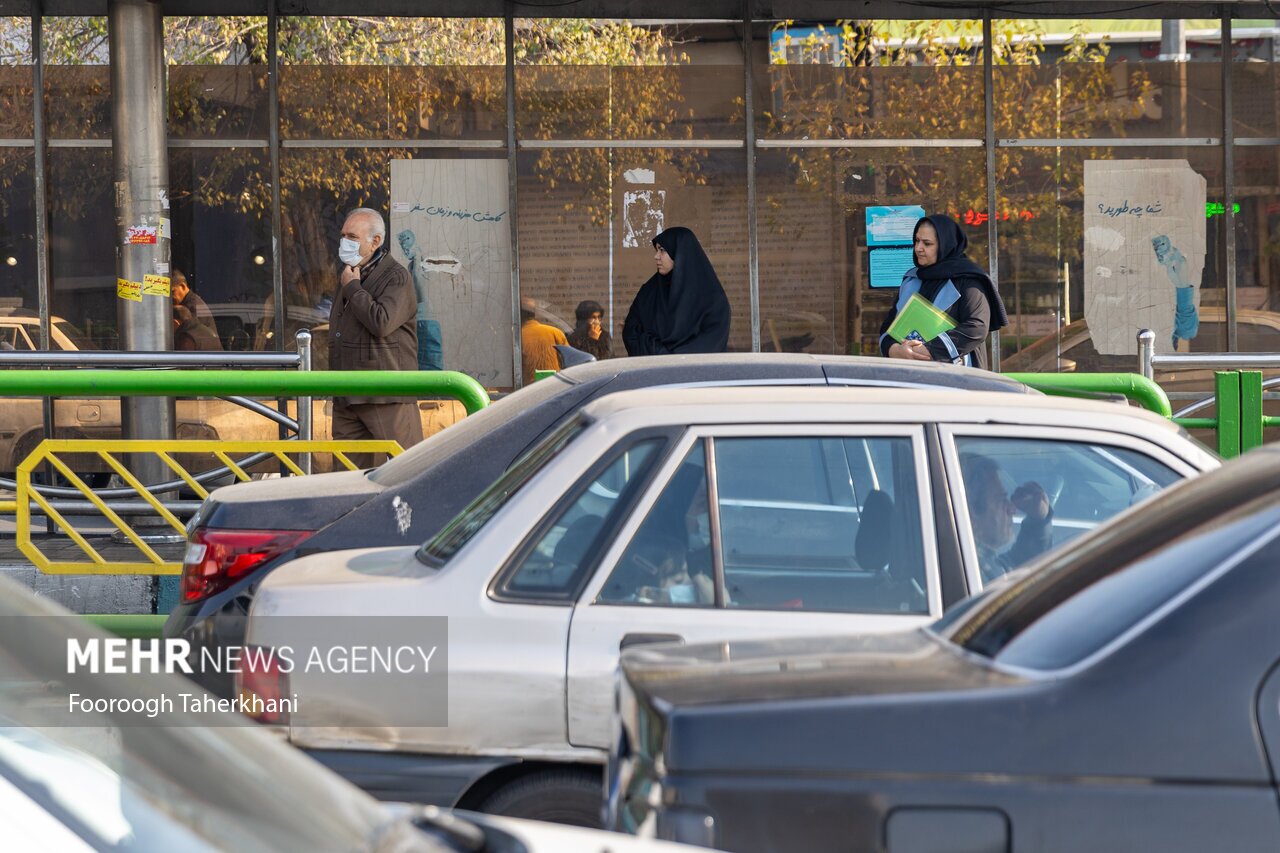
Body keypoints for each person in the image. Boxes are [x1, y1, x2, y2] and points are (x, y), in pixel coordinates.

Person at [329, 207, 423, 468]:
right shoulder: (350, 274)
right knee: (346, 477)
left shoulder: (396, 277)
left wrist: (353, 288)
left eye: (352, 237)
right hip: (347, 393)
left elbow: (382, 322)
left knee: (407, 470)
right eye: (343, 236)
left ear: (376, 242)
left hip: (385, 394)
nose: (345, 242)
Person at [879, 214, 1008, 369]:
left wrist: (925, 351)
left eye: (927, 243)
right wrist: (895, 350)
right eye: (917, 241)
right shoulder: (912, 279)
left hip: (957, 374)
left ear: (945, 245)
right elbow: (889, 326)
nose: (918, 248)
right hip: (910, 372)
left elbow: (976, 327)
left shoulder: (968, 279)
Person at [623, 226, 731, 356]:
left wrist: (669, 357)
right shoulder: (648, 293)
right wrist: (659, 352)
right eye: (657, 250)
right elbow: (631, 333)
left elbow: (711, 343)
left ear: (680, 253)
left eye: (662, 250)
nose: (656, 256)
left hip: (693, 369)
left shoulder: (712, 299)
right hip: (652, 367)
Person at [961, 455, 1053, 583]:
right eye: (1001, 499)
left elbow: (1017, 565)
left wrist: (1038, 520)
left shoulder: (975, 565)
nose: (1012, 509)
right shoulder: (974, 575)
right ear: (971, 513)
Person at [397, 229, 445, 371]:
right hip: (424, 319)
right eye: (402, 246)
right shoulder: (414, 264)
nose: (405, 250)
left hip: (424, 320)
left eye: (406, 244)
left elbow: (421, 292)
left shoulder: (419, 264)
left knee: (428, 367)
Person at [520, 296, 568, 385]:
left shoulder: (515, 337)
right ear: (535, 313)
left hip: (527, 390)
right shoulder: (555, 332)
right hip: (556, 387)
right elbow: (569, 362)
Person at [171, 269, 222, 351]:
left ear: (182, 286)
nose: (170, 297)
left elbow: (192, 337)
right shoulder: (191, 303)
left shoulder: (194, 306)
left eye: (172, 292)